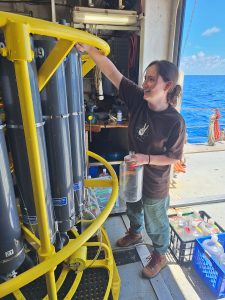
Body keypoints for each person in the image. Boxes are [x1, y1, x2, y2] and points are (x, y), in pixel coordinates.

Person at [76, 43, 186, 278]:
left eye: (151, 79)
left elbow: (173, 157)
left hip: (155, 182)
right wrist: (89, 50)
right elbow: (112, 73)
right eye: (145, 78)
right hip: (133, 172)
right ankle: (135, 232)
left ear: (167, 86)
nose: (145, 83)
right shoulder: (138, 98)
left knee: (155, 218)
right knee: (133, 205)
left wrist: (145, 158)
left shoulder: (174, 121)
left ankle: (160, 254)